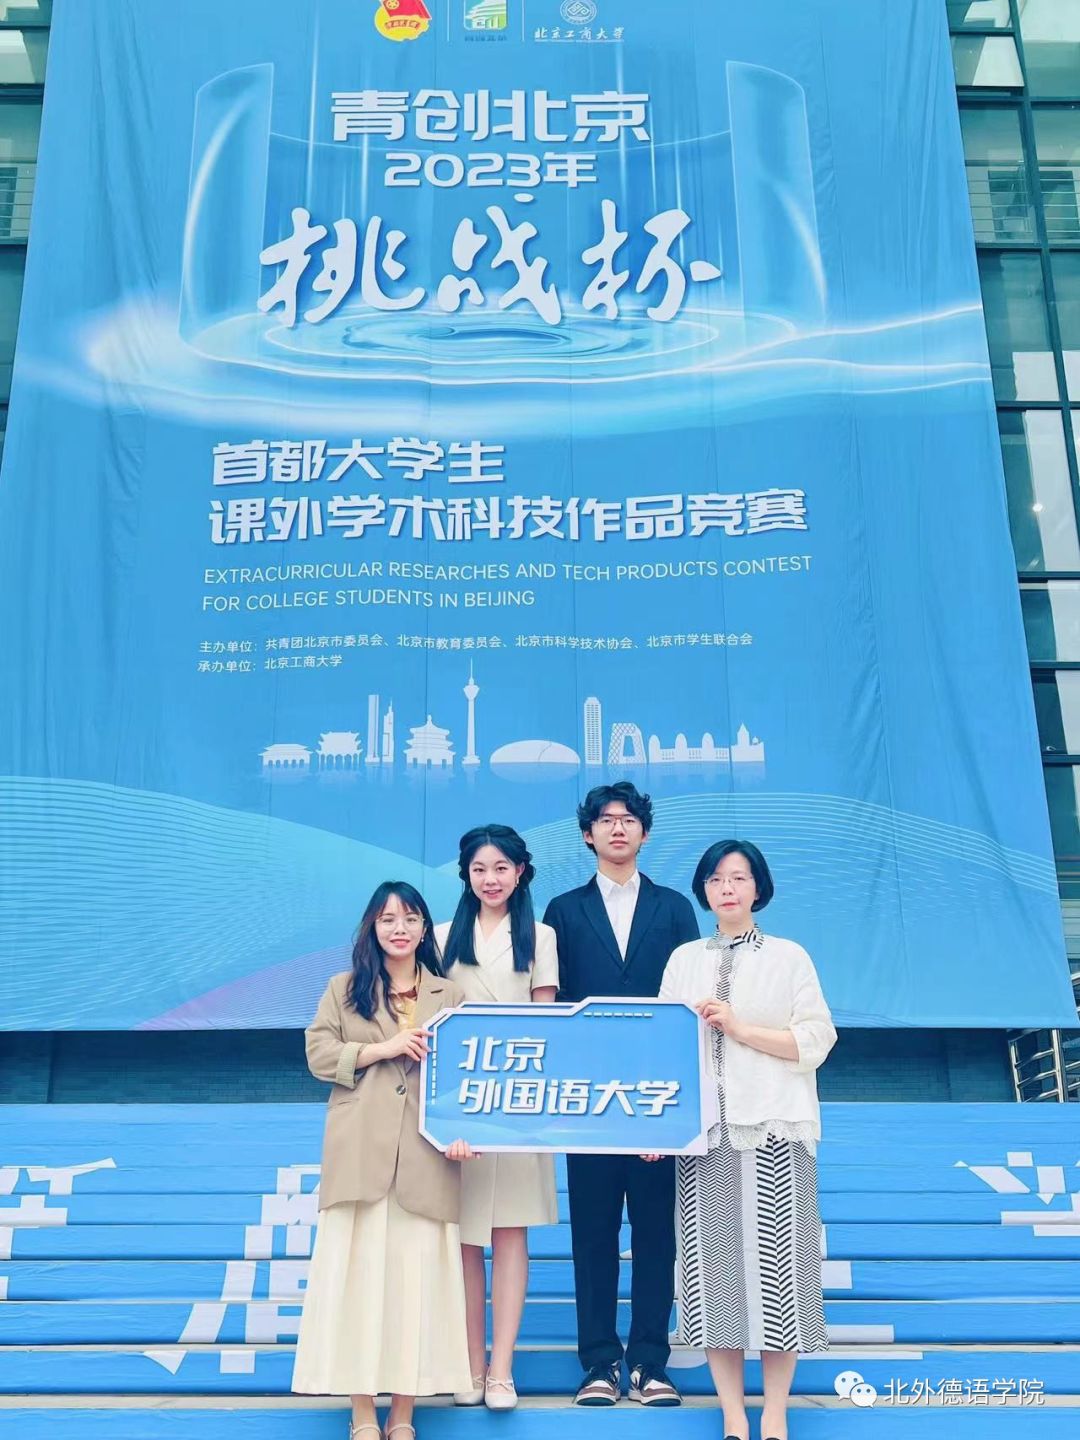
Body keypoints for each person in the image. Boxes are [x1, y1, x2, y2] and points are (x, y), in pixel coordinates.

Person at [658, 841, 836, 1440]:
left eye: (739, 877)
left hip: (776, 1129)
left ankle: (776, 1412)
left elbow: (816, 1040)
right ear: (704, 890)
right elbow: (664, 1047)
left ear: (759, 886)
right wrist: (662, 1125)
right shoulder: (684, 960)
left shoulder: (789, 956)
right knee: (716, 1281)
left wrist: (739, 1028)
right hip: (705, 1136)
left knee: (783, 1279)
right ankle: (733, 1415)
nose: (727, 888)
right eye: (716, 879)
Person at [293, 881, 474, 1440]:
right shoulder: (344, 989)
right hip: (360, 1156)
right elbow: (319, 1053)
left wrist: (464, 1134)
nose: (400, 928)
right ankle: (363, 1411)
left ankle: (403, 1413)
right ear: (372, 927)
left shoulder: (451, 995)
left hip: (427, 1158)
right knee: (359, 1285)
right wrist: (382, 1049)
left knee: (414, 1288)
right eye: (388, 918)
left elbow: (468, 1075)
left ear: (424, 929)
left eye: (411, 918)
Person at [543, 781, 700, 1409]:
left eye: (628, 819)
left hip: (658, 1100)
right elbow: (553, 1009)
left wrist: (675, 1110)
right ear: (588, 834)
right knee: (593, 1234)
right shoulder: (563, 911)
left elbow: (689, 1010)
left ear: (644, 832)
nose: (617, 828)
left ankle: (651, 1363)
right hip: (588, 1102)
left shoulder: (675, 908)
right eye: (606, 820)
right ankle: (600, 1364)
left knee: (657, 1234)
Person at [434, 823, 560, 1411]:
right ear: (466, 874)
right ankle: (468, 1366)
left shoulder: (541, 936)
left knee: (511, 1233)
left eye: (502, 868)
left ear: (520, 872)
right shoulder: (440, 937)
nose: (491, 879)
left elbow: (546, 1026)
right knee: (462, 1240)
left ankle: (502, 1370)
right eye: (480, 869)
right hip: (457, 1106)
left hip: (517, 1105)